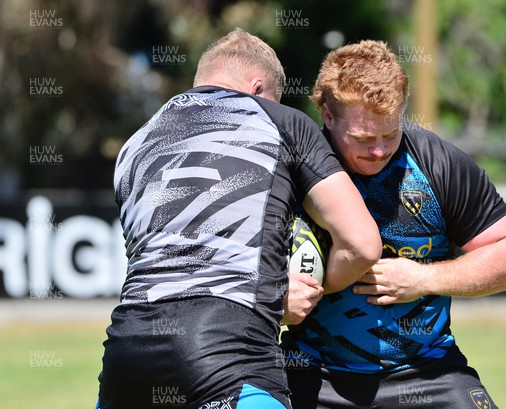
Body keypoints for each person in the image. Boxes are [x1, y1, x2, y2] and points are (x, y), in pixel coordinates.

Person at [96, 29, 381, 409]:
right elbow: (362, 243)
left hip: (125, 352)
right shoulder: (282, 121)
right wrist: (299, 291)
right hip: (224, 351)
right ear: (258, 87)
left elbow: (164, 259)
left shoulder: (135, 143)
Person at [281, 40, 506, 408]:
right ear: (328, 115)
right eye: (364, 138)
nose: (380, 150)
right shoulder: (290, 172)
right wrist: (274, 293)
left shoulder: (438, 164)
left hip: (428, 372)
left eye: (390, 134)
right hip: (311, 374)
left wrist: (424, 278)